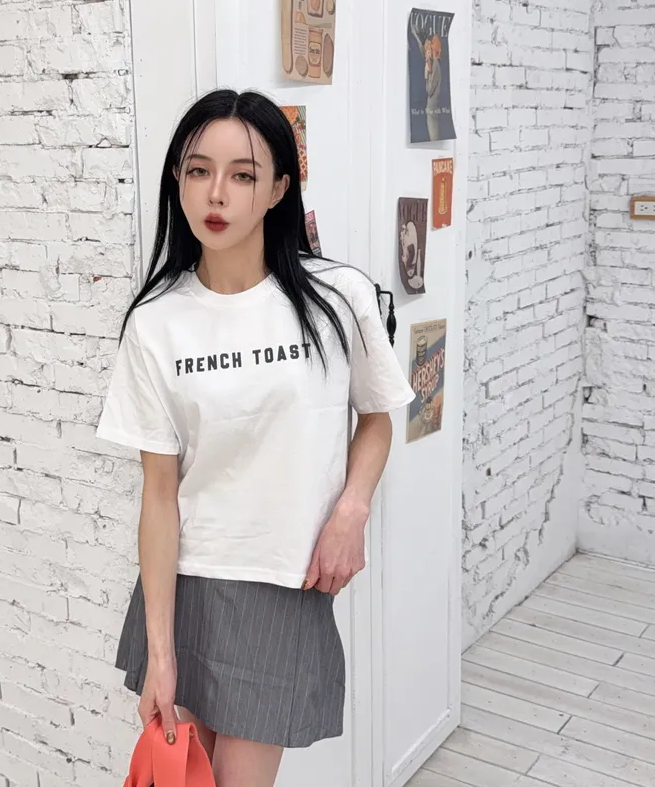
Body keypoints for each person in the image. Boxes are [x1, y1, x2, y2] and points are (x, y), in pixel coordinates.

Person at [97, 89, 415, 787]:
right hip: (187, 585)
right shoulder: (156, 323)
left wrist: (352, 509)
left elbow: (377, 417)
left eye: (242, 175)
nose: (216, 193)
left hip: (282, 584)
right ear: (177, 180)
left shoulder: (338, 298)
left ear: (277, 190)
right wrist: (161, 653)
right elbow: (159, 493)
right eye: (198, 170)